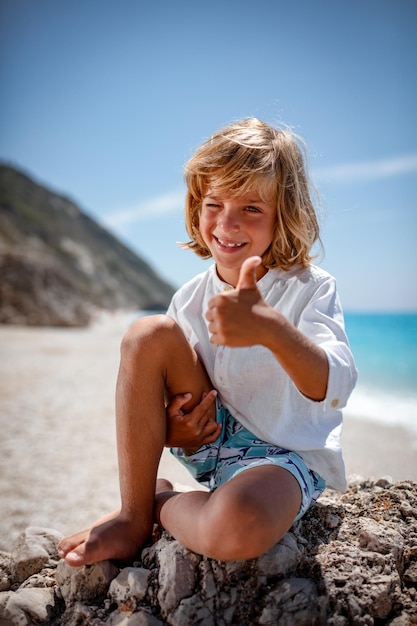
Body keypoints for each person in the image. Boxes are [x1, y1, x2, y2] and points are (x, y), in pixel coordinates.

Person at [58, 118, 357, 566]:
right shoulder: (190, 298)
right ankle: (134, 516)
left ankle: (161, 503)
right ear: (197, 206)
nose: (227, 222)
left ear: (284, 215)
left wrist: (270, 328)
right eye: (214, 203)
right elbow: (156, 393)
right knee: (148, 332)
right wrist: (170, 429)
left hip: (287, 454)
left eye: (252, 208)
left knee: (235, 531)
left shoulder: (309, 287)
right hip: (210, 439)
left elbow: (335, 384)